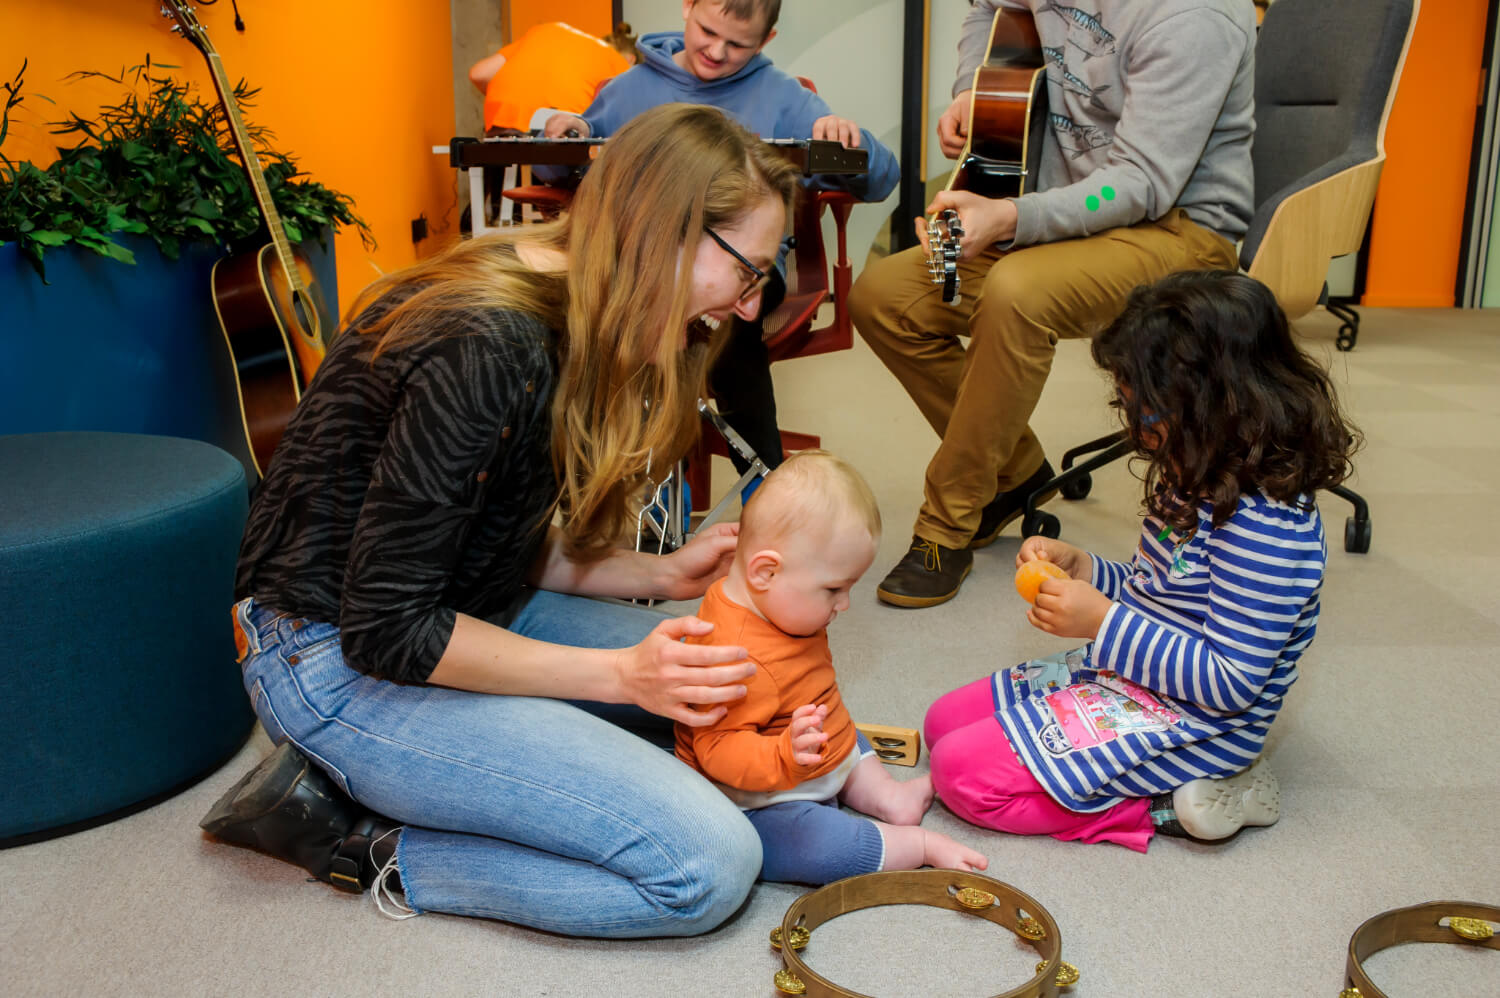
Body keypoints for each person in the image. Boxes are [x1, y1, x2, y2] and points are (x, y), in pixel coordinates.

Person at [197, 105, 805, 939]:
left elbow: (480, 538)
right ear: (665, 230)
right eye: (748, 274)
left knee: (735, 696)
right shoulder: (486, 344)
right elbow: (388, 632)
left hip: (458, 608)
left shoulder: (562, 307)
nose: (746, 308)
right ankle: (368, 843)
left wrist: (658, 576)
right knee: (707, 865)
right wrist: (619, 677)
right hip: (329, 659)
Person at [923, 270, 1358, 851]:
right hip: (1136, 671)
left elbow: (1230, 682)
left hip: (1204, 722)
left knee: (962, 778)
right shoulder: (1198, 472)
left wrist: (1102, 622)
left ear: (1214, 405)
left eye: (1148, 415)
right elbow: (1161, 589)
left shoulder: (1266, 530)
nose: (1135, 430)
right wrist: (1087, 571)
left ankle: (1163, 810)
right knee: (940, 725)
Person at [850, 0, 1256, 607]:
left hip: (1178, 228)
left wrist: (1012, 218)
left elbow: (1143, 182)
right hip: (1059, 211)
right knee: (883, 295)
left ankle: (947, 524)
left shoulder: (1194, 15)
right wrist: (971, 89)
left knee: (1016, 293)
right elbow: (987, 6)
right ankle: (1014, 474)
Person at [543, 0, 900, 486]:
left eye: (737, 44)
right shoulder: (630, 90)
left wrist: (851, 144)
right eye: (708, 31)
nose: (716, 50)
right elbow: (556, 166)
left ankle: (764, 484)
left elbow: (880, 181)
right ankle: (586, 481)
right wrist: (569, 133)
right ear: (687, 7)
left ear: (766, 41)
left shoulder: (784, 99)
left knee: (731, 332)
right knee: (581, 324)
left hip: (744, 270)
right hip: (644, 264)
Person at [676, 450, 988, 883]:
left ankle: (888, 797)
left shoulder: (779, 603)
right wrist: (782, 755)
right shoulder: (732, 659)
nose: (844, 604)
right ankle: (913, 845)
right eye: (834, 589)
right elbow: (717, 750)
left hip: (810, 744)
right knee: (819, 849)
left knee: (843, 730)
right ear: (765, 572)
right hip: (760, 796)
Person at [468, 21, 638, 136]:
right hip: (556, 133)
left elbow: (478, 74)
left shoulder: (549, 29)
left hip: (501, 126)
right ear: (632, 59)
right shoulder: (617, 62)